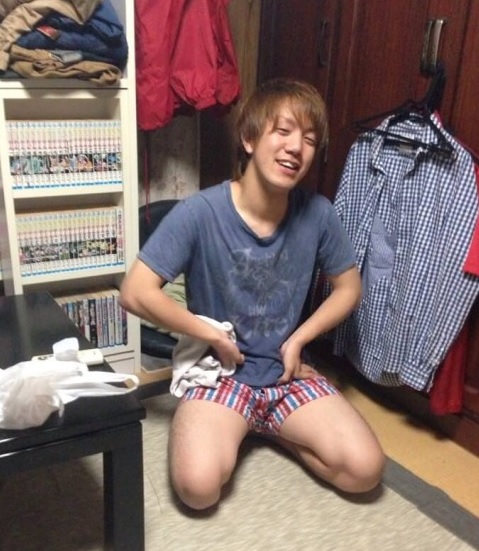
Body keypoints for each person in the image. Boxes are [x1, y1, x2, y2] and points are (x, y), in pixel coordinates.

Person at [120, 78, 385, 510]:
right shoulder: (199, 212)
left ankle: (274, 429)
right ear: (248, 138)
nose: (296, 147)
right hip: (220, 372)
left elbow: (349, 286)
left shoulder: (318, 213)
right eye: (283, 131)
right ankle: (236, 424)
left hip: (285, 374)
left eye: (309, 139)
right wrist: (210, 335)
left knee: (364, 471)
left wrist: (299, 340)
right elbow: (135, 292)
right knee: (199, 489)